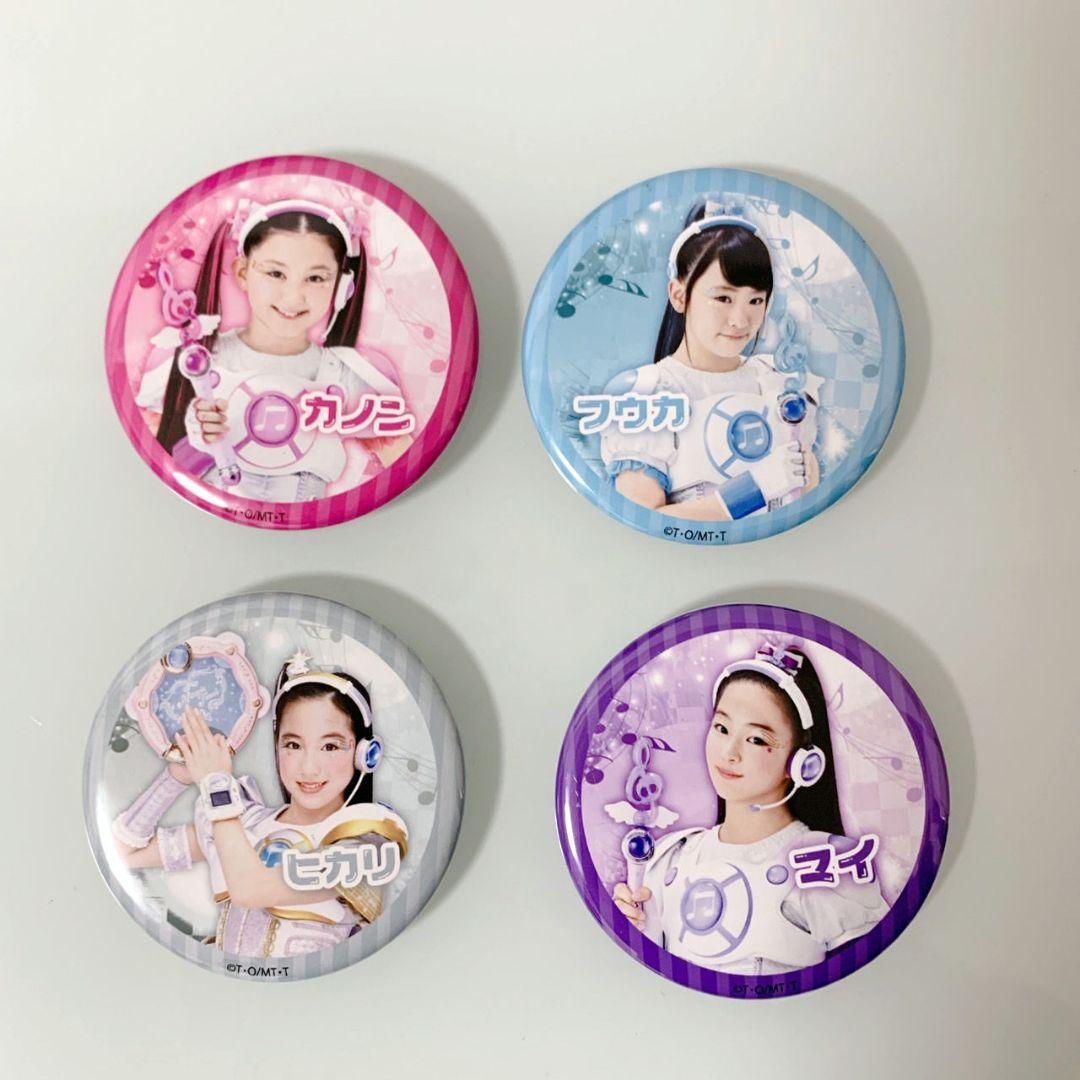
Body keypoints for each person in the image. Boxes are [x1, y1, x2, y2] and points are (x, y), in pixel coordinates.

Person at [612, 644, 887, 976]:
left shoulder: (828, 864)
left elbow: (870, 985)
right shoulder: (669, 857)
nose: (729, 752)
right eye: (722, 728)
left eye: (756, 739)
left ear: (804, 763)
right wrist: (630, 930)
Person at [112, 653, 407, 958]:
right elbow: (125, 853)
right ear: (277, 746)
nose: (309, 767)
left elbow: (250, 889)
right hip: (223, 986)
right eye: (293, 745)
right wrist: (175, 778)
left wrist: (216, 784)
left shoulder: (367, 842)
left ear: (364, 753)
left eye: (330, 746)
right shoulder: (247, 821)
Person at [143, 199, 413, 501]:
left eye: (315, 278)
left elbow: (406, 466)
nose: (293, 296)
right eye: (275, 273)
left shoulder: (350, 374)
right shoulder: (193, 360)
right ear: (243, 272)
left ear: (342, 287)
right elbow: (150, 467)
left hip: (309, 523)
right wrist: (199, 435)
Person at [598, 201, 821, 520]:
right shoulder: (646, 392)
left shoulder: (778, 379)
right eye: (723, 298)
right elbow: (643, 520)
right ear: (679, 295)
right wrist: (754, 489)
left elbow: (807, 500)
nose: (740, 320)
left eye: (755, 300)